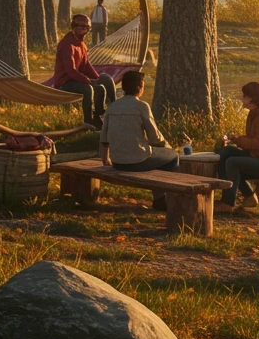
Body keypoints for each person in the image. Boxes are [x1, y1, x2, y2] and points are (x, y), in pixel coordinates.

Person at [99, 70, 176, 208]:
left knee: (158, 157)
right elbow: (155, 137)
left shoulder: (113, 106)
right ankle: (169, 199)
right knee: (172, 157)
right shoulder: (142, 106)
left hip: (117, 161)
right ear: (140, 87)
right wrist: (168, 146)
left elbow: (104, 135)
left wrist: (105, 156)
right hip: (137, 160)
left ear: (123, 87)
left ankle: (161, 200)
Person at [215, 82, 259, 211]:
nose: (242, 98)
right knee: (225, 153)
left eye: (244, 96)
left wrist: (238, 140)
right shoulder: (253, 114)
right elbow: (251, 140)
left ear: (251, 98)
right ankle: (248, 196)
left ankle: (228, 203)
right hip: (255, 156)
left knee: (232, 163)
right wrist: (233, 139)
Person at [52, 14, 115, 126]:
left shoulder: (82, 44)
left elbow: (85, 64)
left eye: (87, 28)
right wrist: (88, 80)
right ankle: (88, 121)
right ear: (73, 27)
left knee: (105, 80)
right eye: (81, 27)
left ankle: (111, 112)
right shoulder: (67, 44)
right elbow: (70, 70)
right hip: (65, 82)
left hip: (77, 79)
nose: (84, 30)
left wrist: (96, 77)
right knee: (88, 89)